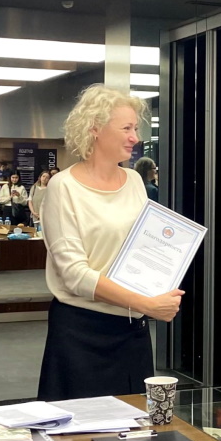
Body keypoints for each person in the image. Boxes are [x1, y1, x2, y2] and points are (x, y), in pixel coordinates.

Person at [37, 84, 183, 401]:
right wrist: (145, 304)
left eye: (135, 129)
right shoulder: (63, 187)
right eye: (126, 128)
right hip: (81, 334)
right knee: (81, 429)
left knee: (136, 425)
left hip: (132, 331)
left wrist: (159, 283)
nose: (135, 137)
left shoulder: (134, 181)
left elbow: (144, 248)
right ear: (95, 129)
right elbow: (74, 275)